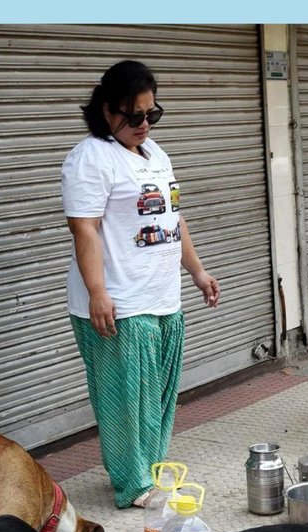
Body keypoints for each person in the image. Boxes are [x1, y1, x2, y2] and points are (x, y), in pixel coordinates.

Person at [62, 60, 220, 509]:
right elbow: (85, 229)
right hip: (120, 300)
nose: (144, 124)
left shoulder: (156, 154)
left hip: (162, 295)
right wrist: (97, 292)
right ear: (107, 110)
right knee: (126, 401)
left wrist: (197, 271)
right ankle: (132, 485)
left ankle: (148, 471)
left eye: (152, 113)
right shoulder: (90, 158)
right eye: (134, 116)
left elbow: (172, 218)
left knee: (158, 396)